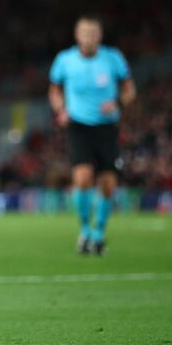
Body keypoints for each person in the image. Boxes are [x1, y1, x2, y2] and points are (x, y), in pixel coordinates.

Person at [49, 16, 136, 255]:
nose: (88, 37)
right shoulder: (64, 60)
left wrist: (118, 102)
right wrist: (61, 109)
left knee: (108, 184)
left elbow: (129, 88)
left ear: (99, 36)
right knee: (83, 177)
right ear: (77, 36)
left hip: (107, 127)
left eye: (93, 33)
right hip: (79, 125)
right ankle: (85, 231)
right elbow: (54, 90)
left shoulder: (113, 58)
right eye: (84, 33)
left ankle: (99, 233)